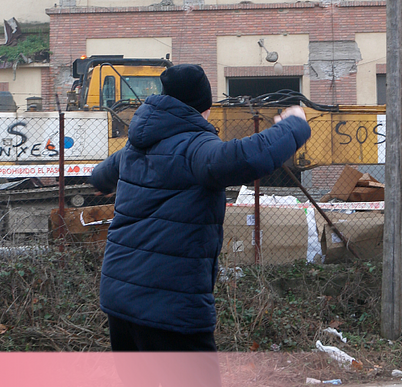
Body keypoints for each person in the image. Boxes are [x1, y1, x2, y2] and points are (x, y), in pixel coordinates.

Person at [89, 64, 310, 383]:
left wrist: (102, 180)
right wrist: (294, 127)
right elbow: (248, 157)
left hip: (120, 300)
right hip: (169, 305)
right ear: (203, 110)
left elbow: (102, 175)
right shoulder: (196, 150)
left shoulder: (136, 146)